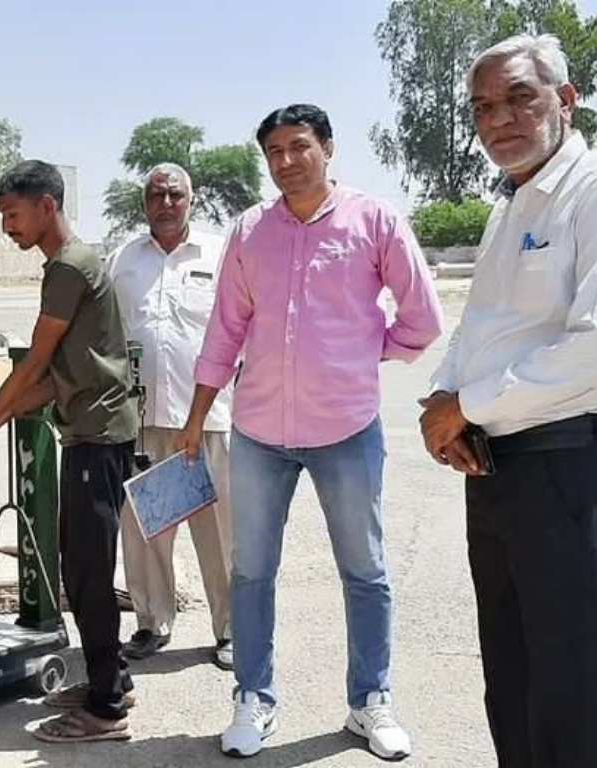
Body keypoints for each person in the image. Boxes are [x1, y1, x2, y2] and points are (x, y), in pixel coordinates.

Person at [176, 105, 443, 760]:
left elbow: (422, 318)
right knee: (252, 570)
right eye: (274, 151)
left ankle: (370, 701)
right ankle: (253, 700)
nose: (286, 161)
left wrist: (363, 351)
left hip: (346, 429)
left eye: (299, 147)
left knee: (366, 569)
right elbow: (225, 331)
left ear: (328, 148)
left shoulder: (373, 221)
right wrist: (195, 417)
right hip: (261, 430)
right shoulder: (249, 232)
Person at [419, 34, 597, 767]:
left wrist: (472, 405)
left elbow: (592, 346)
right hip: (496, 471)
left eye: (519, 97)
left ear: (566, 99)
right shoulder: (511, 204)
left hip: (565, 468)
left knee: (571, 679)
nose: (499, 120)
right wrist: (440, 398)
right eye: (483, 107)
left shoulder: (587, 194)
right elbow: (478, 326)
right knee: (512, 670)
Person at [0, 160, 138, 743]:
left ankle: (107, 709)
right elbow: (57, 376)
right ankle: (114, 678)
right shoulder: (72, 265)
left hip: (97, 437)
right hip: (91, 430)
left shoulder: (68, 269)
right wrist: (3, 414)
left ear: (46, 207)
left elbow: (34, 360)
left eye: (12, 214)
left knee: (87, 573)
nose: (7, 226)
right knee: (79, 568)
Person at [108, 163, 234, 670]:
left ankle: (231, 631)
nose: (165, 203)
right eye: (156, 194)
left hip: (209, 420)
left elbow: (245, 326)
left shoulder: (221, 254)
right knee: (145, 528)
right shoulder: (123, 260)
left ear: (192, 199)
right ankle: (151, 621)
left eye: (175, 195)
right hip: (143, 422)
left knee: (221, 531)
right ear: (144, 202)